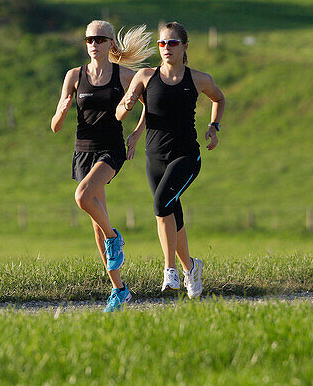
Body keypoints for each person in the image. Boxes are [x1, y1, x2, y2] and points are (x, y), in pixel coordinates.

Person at [117, 21, 225, 299]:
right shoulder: (145, 77)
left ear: (185, 47)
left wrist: (214, 127)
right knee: (171, 211)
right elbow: (120, 113)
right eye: (162, 43)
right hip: (154, 157)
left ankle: (170, 270)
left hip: (186, 156)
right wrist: (126, 107)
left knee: (160, 204)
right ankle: (191, 268)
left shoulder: (199, 79)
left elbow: (219, 99)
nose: (166, 48)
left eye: (172, 43)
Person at [51, 19, 153, 312]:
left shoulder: (123, 75)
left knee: (83, 197)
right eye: (89, 40)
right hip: (83, 150)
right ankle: (119, 290)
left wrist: (136, 133)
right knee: (96, 223)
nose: (94, 44)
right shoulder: (73, 75)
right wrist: (61, 112)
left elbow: (150, 102)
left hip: (110, 149)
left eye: (99, 39)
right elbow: (56, 127)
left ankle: (115, 238)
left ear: (111, 44)